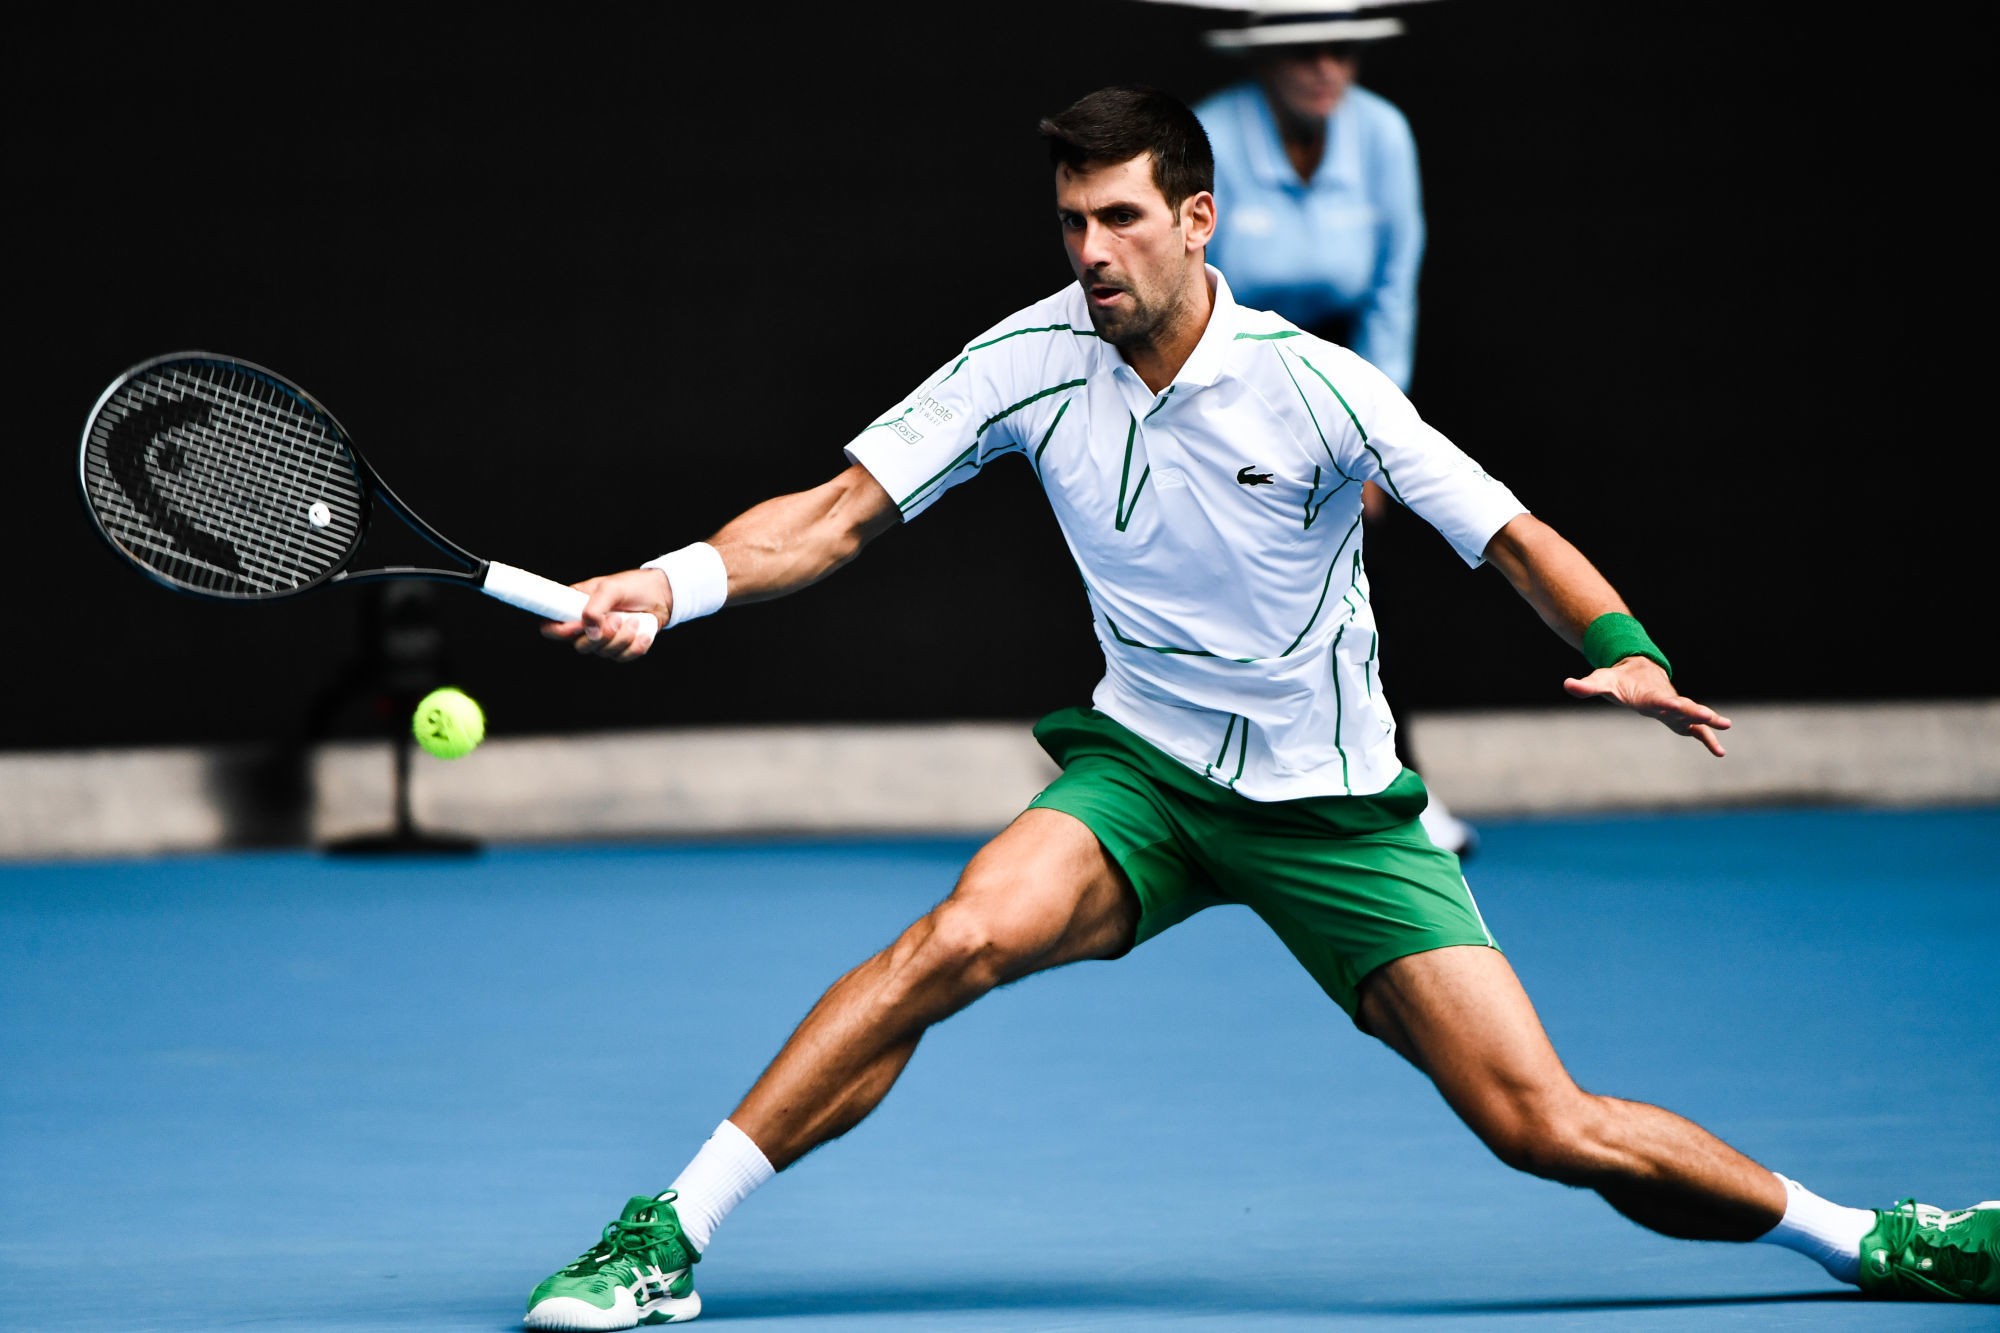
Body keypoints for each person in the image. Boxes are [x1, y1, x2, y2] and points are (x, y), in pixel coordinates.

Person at [520, 86, 1997, 1327]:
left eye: (1119, 220)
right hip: (1146, 778)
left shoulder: (1320, 388)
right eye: (1070, 222)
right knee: (952, 939)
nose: (1090, 251)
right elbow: (839, 515)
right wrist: (670, 581)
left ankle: (1868, 1234)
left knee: (1541, 1125)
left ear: (1196, 220)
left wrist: (1624, 645)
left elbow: (1511, 534)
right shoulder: (1025, 361)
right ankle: (670, 1234)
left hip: (1334, 808)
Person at [1191, 2, 1478, 857]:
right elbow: (1203, 297)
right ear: (1260, 60)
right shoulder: (1205, 134)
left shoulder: (1384, 135)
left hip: (1346, 380)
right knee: (1202, 571)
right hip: (1218, 375)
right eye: (1304, 50)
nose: (1327, 68)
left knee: (1366, 581)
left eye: (1343, 49)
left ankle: (1398, 788)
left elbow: (1393, 292)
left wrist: (1369, 446)